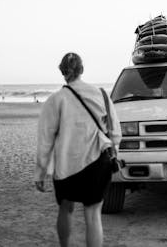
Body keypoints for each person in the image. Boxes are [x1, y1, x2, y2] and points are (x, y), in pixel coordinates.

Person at [35, 52, 122, 247]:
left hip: (66, 167)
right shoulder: (101, 95)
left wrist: (40, 172)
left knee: (65, 209)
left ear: (63, 72)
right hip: (98, 163)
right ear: (82, 70)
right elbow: (115, 134)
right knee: (93, 216)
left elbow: (45, 140)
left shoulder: (55, 100)